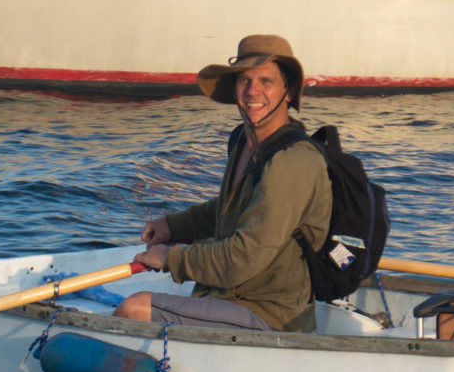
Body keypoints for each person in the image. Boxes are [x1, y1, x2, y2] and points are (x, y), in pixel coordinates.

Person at [114, 35, 333, 332]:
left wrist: (168, 257)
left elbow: (244, 257)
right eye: (244, 80)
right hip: (228, 296)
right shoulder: (244, 140)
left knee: (134, 309)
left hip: (269, 316)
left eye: (266, 81)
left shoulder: (292, 161)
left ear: (289, 91)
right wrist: (175, 225)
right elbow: (234, 208)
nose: (253, 91)